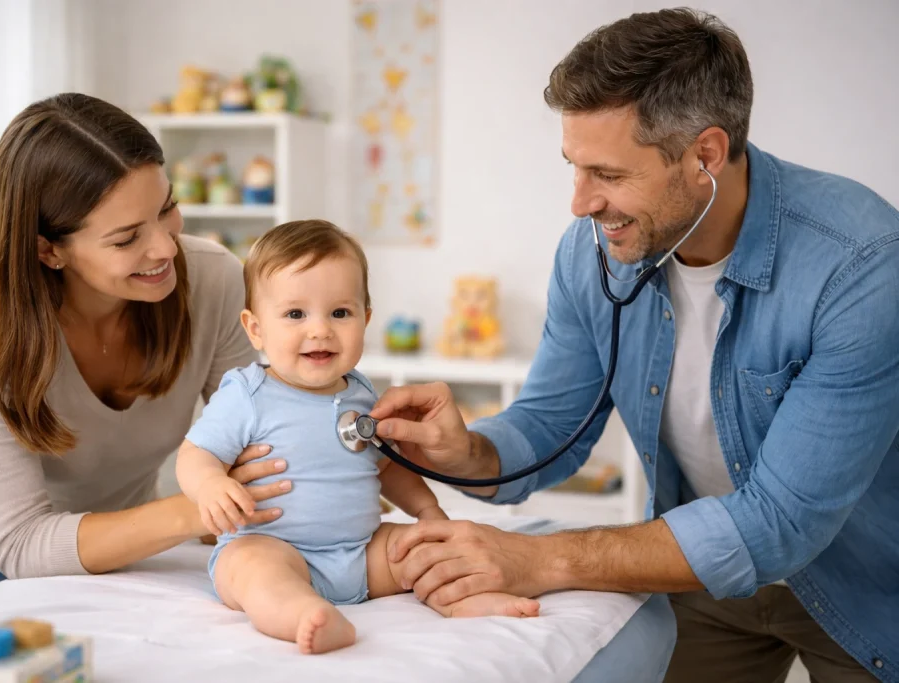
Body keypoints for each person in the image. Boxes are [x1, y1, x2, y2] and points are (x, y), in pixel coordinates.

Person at [368, 8, 899, 682]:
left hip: (866, 586)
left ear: (704, 155)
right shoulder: (593, 254)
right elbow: (552, 424)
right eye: (574, 167)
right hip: (701, 575)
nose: (580, 203)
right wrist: (467, 450)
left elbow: (777, 522)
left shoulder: (862, 266)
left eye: (609, 175)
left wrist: (539, 557)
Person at [0, 93, 292, 613]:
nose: (167, 248)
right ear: (48, 250)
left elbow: (264, 441)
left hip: (120, 547)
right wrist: (198, 510)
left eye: (166, 208)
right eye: (127, 239)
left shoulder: (211, 280)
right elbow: (21, 544)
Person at [176, 219, 540, 655]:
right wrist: (212, 484)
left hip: (363, 552)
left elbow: (384, 466)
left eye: (340, 313)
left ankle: (463, 600)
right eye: (295, 314)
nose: (320, 330)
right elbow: (195, 454)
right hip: (277, 546)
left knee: (421, 551)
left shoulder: (362, 394)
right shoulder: (248, 394)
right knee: (252, 569)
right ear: (255, 329)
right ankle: (303, 614)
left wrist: (427, 509)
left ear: (365, 319)